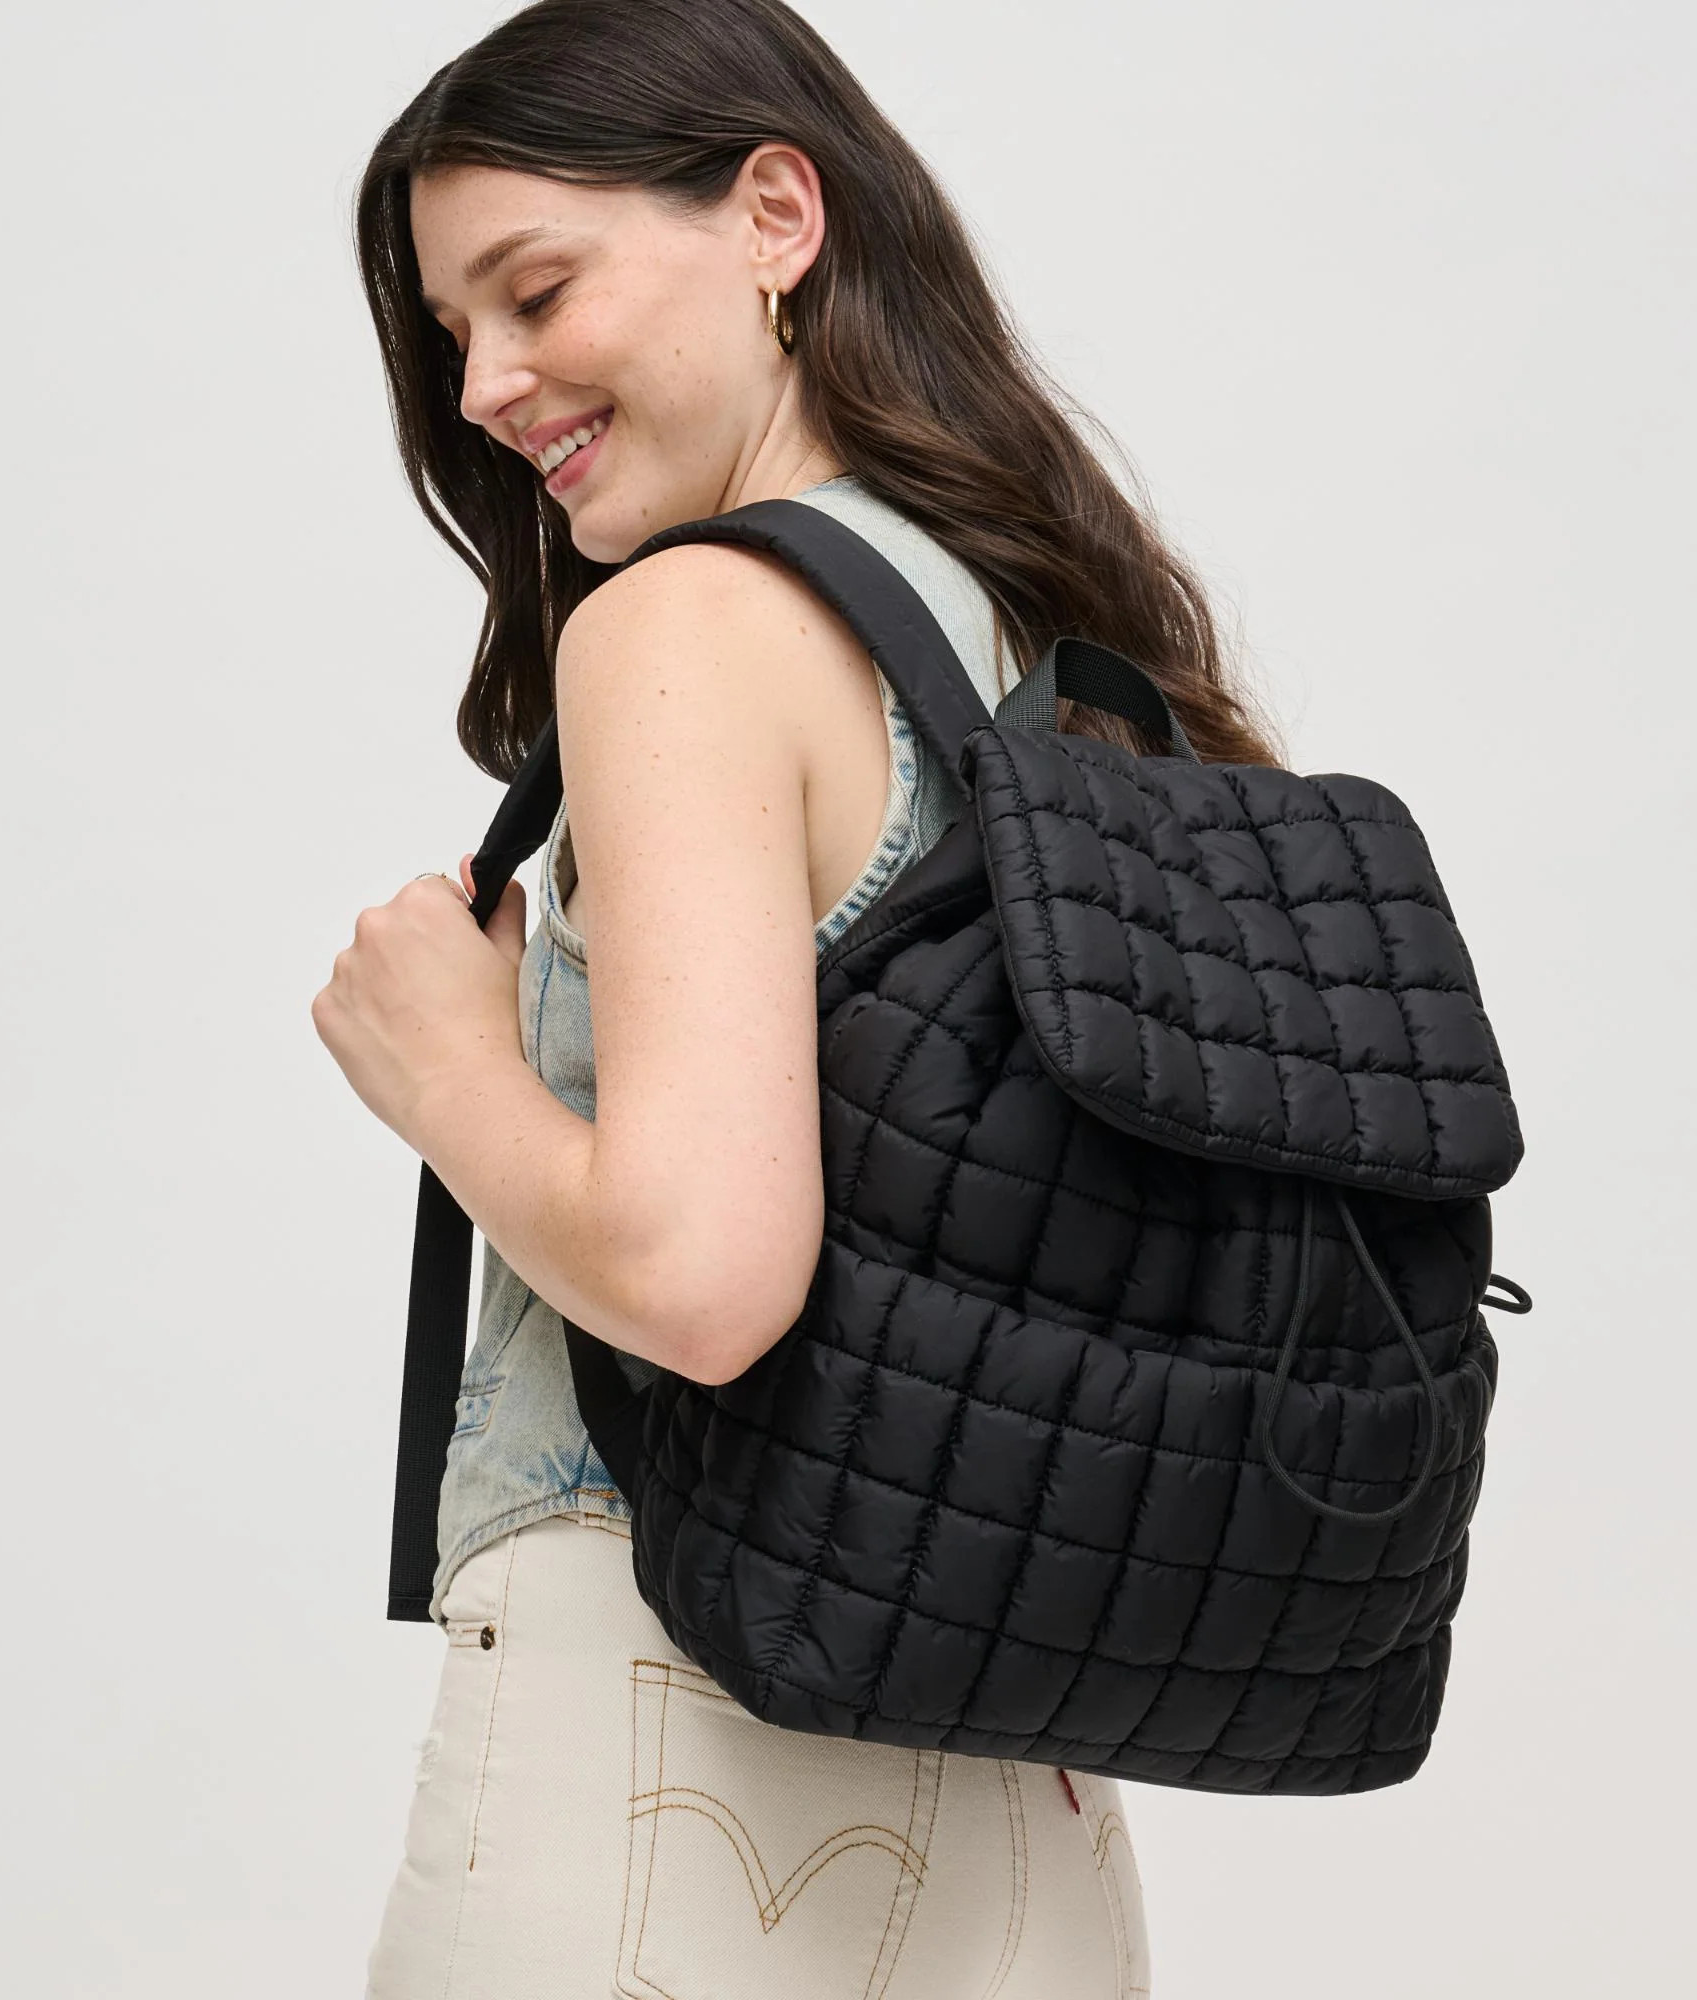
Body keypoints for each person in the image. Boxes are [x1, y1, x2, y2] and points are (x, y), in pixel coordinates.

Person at [314, 1, 1283, 1992]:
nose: (484, 384)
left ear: (774, 215)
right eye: (451, 332)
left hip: (660, 1730)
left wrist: (445, 1065)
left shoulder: (685, 621)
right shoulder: (1054, 644)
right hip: (1027, 1781)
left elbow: (702, 1275)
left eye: (535, 291)